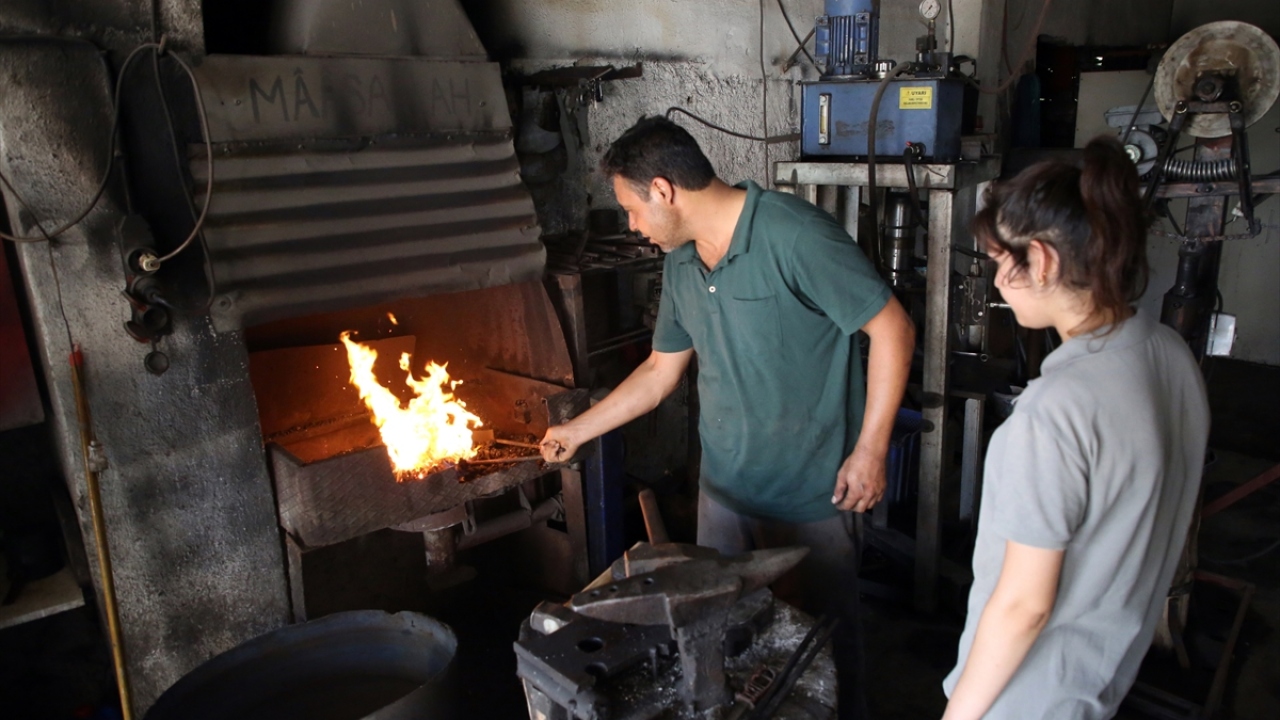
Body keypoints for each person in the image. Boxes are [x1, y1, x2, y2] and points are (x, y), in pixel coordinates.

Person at [540, 116, 915, 719]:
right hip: (725, 494)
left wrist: (870, 451)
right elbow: (662, 374)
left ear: (663, 190)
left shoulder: (794, 236)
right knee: (729, 656)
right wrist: (577, 431)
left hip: (813, 493)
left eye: (632, 209)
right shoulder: (682, 262)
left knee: (821, 653)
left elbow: (892, 327)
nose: (632, 225)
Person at [941, 137, 1210, 720]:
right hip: (1103, 677)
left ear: (1040, 260)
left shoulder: (1052, 415)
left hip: (1026, 699)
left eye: (996, 264)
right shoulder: (1169, 354)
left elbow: (1022, 607)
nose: (994, 285)